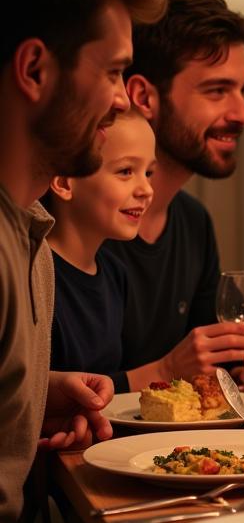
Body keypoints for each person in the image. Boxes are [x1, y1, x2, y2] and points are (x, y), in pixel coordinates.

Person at [0, 0, 191, 523]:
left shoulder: (32, 235)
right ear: (36, 69)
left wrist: (34, 393)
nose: (126, 103)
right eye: (114, 73)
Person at [105, 0, 244, 391]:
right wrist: (165, 369)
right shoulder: (85, 221)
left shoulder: (193, 221)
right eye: (216, 91)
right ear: (143, 96)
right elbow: (47, 395)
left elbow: (207, 363)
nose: (242, 114)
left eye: (242, 90)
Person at [46, 109, 155, 377]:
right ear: (64, 182)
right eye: (126, 171)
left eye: (148, 172)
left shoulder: (115, 273)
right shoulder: (37, 274)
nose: (147, 190)